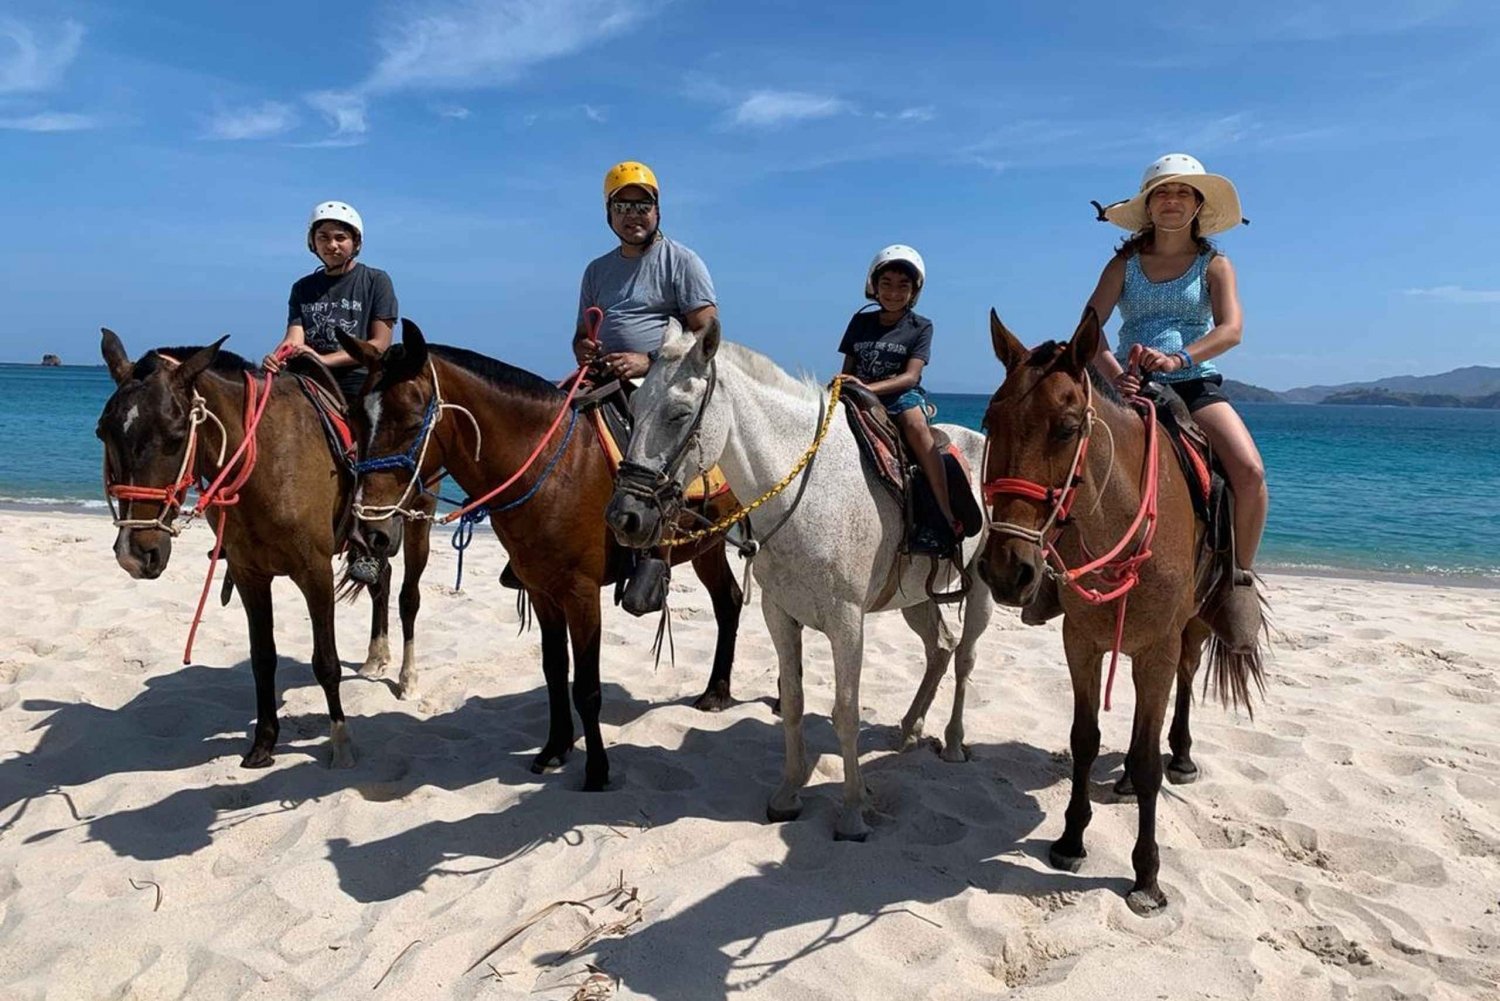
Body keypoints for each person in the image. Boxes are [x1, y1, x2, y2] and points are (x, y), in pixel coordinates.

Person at [1084, 152, 1267, 646]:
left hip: (1191, 381)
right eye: (1162, 192)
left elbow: (1231, 329)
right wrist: (1119, 374)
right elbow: (1090, 328)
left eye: (1183, 192)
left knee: (1249, 472)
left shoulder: (1215, 264)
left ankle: (1237, 582)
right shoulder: (1124, 262)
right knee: (1065, 457)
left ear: (1198, 205)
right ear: (1148, 205)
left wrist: (1179, 359)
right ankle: (1049, 578)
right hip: (1126, 381)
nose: (1171, 200)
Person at [838, 244, 960, 545]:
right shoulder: (860, 322)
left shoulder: (920, 326)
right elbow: (848, 367)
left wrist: (866, 387)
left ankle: (943, 511)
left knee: (917, 426)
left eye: (902, 286)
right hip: (858, 394)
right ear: (874, 287)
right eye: (886, 284)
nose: (893, 292)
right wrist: (846, 385)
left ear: (914, 290)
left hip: (900, 395)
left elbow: (911, 376)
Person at [573, 162, 717, 379]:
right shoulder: (595, 271)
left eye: (642, 206)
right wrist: (581, 348)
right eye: (622, 207)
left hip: (663, 383)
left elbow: (707, 335)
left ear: (656, 210)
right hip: (604, 379)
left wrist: (651, 360)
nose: (632, 215)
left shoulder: (683, 262)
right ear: (609, 212)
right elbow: (582, 336)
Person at [264, 200, 399, 402]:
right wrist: (276, 358)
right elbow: (294, 339)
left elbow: (379, 345)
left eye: (340, 238)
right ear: (313, 242)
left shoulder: (376, 281)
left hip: (356, 377)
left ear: (356, 243)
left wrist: (324, 360)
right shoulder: (302, 287)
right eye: (323, 238)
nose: (331, 245)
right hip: (309, 377)